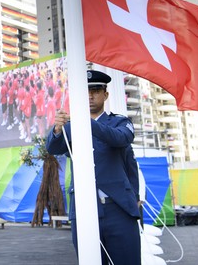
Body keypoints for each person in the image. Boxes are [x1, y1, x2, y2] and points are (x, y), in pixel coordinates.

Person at [45, 70, 140, 265]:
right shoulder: (71, 126)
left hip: (118, 207)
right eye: (86, 91)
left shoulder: (119, 122)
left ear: (105, 94)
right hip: (83, 208)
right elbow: (53, 148)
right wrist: (57, 129)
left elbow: (121, 138)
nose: (89, 96)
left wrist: (86, 123)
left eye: (96, 90)